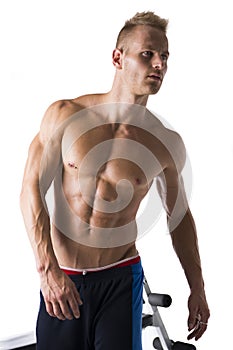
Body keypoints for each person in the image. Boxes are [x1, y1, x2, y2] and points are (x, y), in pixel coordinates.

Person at [20, 11, 210, 350]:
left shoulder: (165, 142)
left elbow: (178, 218)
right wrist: (47, 269)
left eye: (164, 57)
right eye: (147, 54)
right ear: (118, 58)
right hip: (63, 276)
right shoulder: (66, 115)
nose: (159, 65)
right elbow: (31, 188)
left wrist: (198, 286)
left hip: (120, 278)